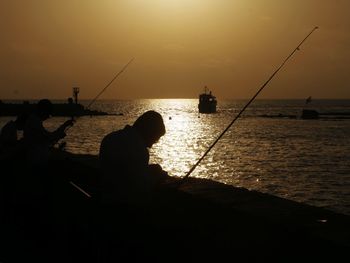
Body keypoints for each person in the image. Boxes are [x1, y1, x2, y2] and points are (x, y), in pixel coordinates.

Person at [99, 110, 169, 205]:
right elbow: (140, 187)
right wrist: (158, 177)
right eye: (154, 139)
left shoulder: (110, 138)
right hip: (122, 205)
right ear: (149, 132)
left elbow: (124, 170)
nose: (151, 145)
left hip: (103, 197)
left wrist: (145, 170)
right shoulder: (139, 149)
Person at [23, 99, 74, 166]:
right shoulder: (34, 122)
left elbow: (46, 139)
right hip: (37, 162)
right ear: (43, 111)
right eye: (48, 114)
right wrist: (64, 126)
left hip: (38, 160)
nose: (48, 117)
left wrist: (63, 128)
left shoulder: (34, 121)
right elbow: (49, 138)